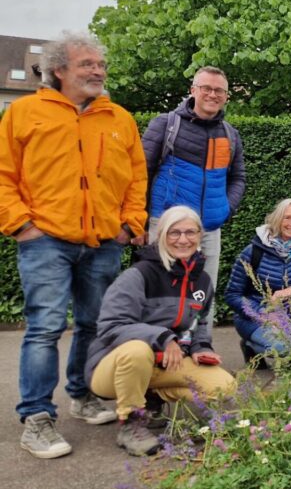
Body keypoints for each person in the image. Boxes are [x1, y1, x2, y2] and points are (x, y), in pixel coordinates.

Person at [0, 32, 147, 459]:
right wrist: (21, 225)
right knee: (45, 327)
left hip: (103, 242)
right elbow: (4, 175)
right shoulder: (24, 114)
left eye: (100, 65)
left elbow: (136, 178)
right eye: (88, 64)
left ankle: (82, 396)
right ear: (59, 69)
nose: (98, 71)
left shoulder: (119, 118)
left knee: (94, 324)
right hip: (45, 240)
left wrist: (129, 224)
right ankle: (37, 417)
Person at [87, 207, 235, 455]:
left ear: (200, 235)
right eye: (174, 232)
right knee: (137, 350)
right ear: (162, 236)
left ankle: (152, 398)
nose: (183, 239)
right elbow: (110, 326)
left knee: (225, 386)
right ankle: (131, 423)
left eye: (190, 232)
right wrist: (162, 337)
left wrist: (201, 349)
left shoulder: (203, 281)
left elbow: (200, 328)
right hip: (112, 368)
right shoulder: (138, 275)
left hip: (165, 364)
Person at [142, 66, 245, 327]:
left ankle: (201, 351)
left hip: (208, 230)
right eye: (206, 88)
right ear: (193, 91)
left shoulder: (230, 134)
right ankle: (159, 355)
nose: (212, 94)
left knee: (202, 296)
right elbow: (142, 173)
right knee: (161, 295)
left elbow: (238, 178)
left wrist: (225, 210)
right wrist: (139, 223)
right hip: (165, 227)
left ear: (226, 96)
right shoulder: (165, 124)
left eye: (219, 90)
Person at [225, 198, 291, 361]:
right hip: (255, 317)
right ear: (277, 218)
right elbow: (232, 295)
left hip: (290, 314)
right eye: (287, 217)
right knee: (282, 348)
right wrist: (263, 315)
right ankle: (251, 346)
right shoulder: (252, 251)